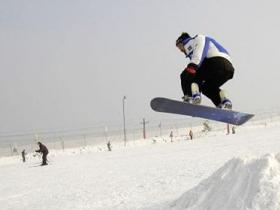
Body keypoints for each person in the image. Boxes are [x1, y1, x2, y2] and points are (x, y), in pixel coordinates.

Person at [176, 32, 234, 109]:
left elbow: (200, 51)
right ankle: (223, 103)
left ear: (184, 41)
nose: (181, 50)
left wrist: (192, 65)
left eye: (180, 46)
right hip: (228, 69)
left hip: (215, 62)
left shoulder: (197, 39)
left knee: (186, 75)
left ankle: (189, 97)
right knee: (207, 88)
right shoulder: (204, 41)